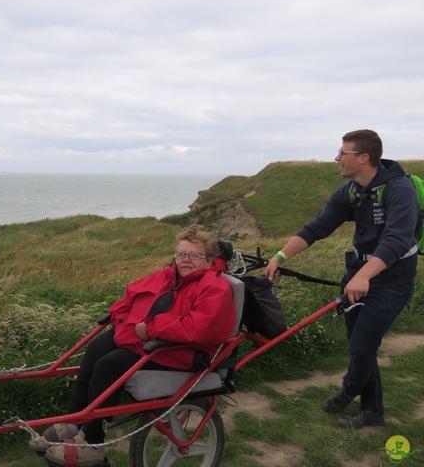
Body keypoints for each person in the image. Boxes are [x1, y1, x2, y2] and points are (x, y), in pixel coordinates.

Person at [31, 224, 236, 467]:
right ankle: (74, 423)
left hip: (178, 351)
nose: (186, 260)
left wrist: (151, 328)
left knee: (109, 365)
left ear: (209, 259)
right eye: (181, 254)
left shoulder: (214, 286)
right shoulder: (169, 276)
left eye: (194, 255)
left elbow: (201, 328)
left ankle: (94, 443)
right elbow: (131, 296)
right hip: (147, 340)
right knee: (97, 348)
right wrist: (122, 320)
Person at [264, 129, 421, 429]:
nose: (336, 158)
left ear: (363, 157)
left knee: (363, 345)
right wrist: (280, 256)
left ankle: (350, 390)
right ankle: (373, 410)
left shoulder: (399, 190)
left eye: (342, 153)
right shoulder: (351, 190)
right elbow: (317, 227)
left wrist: (364, 276)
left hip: (392, 281)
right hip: (356, 276)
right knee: (360, 345)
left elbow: (396, 239)